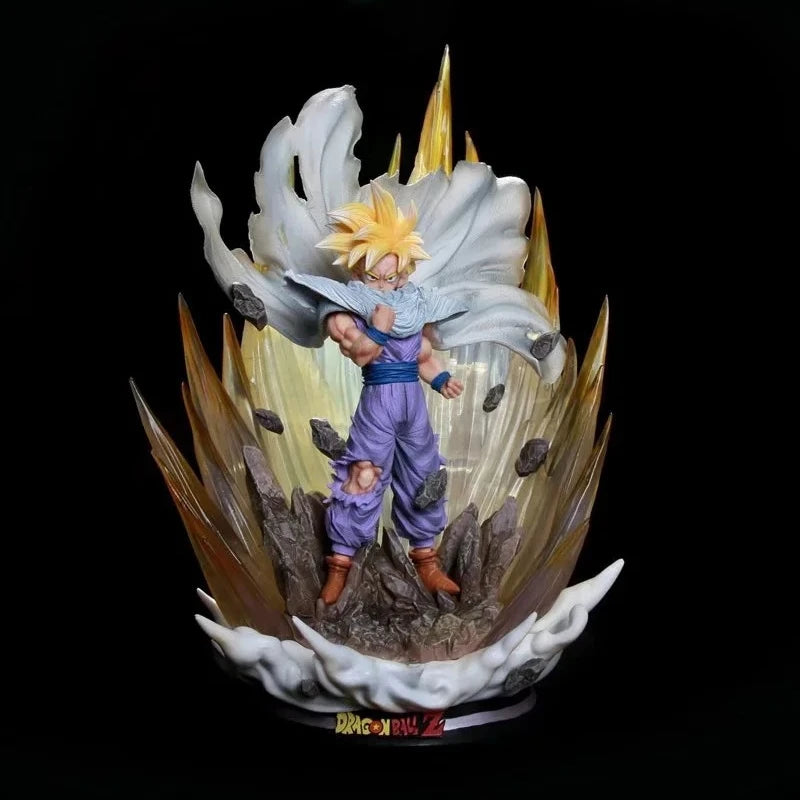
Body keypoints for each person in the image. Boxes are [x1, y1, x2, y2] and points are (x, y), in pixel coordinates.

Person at [286, 183, 470, 604]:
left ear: (405, 270)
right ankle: (339, 566)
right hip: (379, 402)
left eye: (393, 276)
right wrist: (379, 329)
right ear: (357, 271)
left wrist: (441, 379)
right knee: (363, 474)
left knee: (423, 475)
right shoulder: (344, 307)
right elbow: (360, 353)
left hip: (412, 404)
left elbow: (421, 356)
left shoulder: (413, 304)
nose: (386, 285)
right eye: (375, 276)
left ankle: (427, 563)